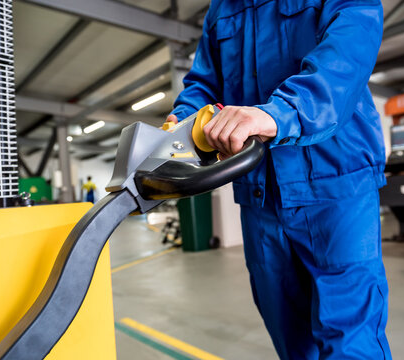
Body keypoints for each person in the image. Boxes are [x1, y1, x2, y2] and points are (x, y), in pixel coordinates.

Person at [166, 1, 390, 359]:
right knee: (288, 336)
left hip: (336, 185)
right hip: (259, 192)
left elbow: (345, 58)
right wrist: (179, 125)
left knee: (350, 337)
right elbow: (204, 84)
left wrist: (278, 114)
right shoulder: (221, 10)